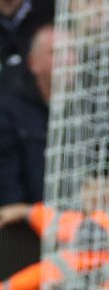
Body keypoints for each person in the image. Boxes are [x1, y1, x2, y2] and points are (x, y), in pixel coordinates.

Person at [0, 26, 67, 204]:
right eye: (55, 53)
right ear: (33, 63)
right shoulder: (11, 110)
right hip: (23, 223)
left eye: (71, 51)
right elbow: (9, 189)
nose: (66, 59)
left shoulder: (93, 107)